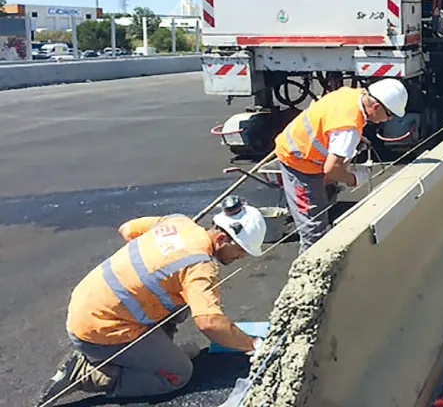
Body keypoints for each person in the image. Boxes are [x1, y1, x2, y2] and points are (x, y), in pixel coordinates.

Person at [38, 198, 268, 406]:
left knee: (182, 299)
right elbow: (209, 322)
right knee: (178, 374)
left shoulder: (179, 223)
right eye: (240, 251)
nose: (241, 258)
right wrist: (253, 345)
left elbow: (128, 230)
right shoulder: (199, 266)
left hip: (87, 305)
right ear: (221, 238)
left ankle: (152, 352)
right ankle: (86, 372)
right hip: (101, 331)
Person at [273, 78, 409, 251]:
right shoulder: (348, 129)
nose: (388, 120)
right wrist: (353, 179)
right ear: (376, 107)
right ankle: (310, 271)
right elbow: (332, 170)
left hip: (302, 150)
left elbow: (333, 122)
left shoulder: (351, 94)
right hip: (299, 163)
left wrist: (356, 139)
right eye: (389, 115)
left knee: (322, 207)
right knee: (314, 230)